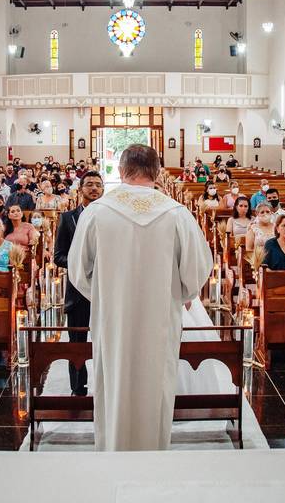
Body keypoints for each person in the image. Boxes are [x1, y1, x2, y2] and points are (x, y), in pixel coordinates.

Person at [68, 144, 212, 451]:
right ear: (157, 172)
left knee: (114, 385)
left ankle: (113, 453)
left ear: (120, 172)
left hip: (113, 321)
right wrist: (178, 294)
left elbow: (78, 272)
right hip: (159, 320)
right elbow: (197, 270)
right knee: (155, 386)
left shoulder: (96, 212)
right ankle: (152, 459)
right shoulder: (177, 214)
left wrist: (108, 295)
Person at [54, 170, 105, 397]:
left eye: (97, 184)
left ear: (103, 189)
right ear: (80, 189)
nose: (94, 188)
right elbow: (58, 256)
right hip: (77, 290)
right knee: (77, 343)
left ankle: (106, 386)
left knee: (106, 342)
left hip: (105, 290)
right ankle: (78, 388)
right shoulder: (68, 218)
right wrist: (80, 266)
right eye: (89, 184)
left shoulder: (110, 218)